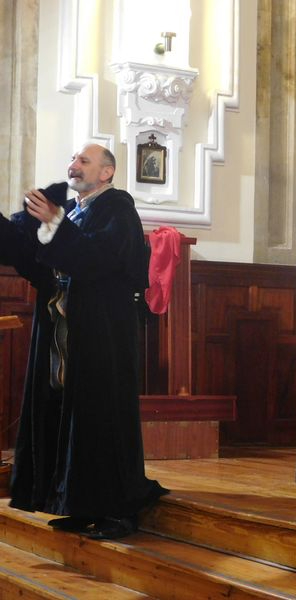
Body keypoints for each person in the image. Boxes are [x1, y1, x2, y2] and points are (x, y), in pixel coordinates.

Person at [2, 143, 168, 540]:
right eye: (73, 159)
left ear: (106, 172)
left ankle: (118, 509)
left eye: (84, 161)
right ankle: (75, 502)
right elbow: (28, 252)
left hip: (102, 333)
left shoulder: (117, 208)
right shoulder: (69, 208)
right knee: (65, 415)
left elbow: (99, 259)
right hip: (64, 330)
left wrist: (57, 225)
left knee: (101, 416)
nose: (73, 165)